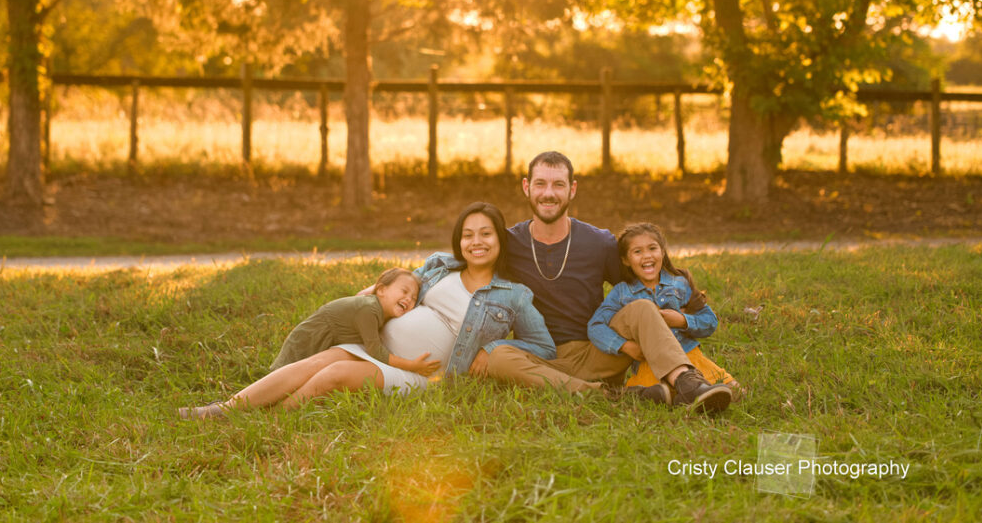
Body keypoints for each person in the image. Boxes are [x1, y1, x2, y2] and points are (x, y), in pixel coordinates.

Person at [179, 202, 555, 418]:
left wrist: (492, 350)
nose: (476, 242)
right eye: (468, 234)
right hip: (377, 346)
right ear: (459, 240)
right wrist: (371, 294)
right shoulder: (440, 265)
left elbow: (543, 346)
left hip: (424, 376)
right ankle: (224, 410)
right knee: (324, 358)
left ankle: (273, 419)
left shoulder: (514, 296)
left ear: (500, 240)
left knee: (337, 373)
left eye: (486, 234)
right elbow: (400, 284)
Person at [484, 151, 732, 413]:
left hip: (599, 350)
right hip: (537, 356)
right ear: (527, 187)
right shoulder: (508, 244)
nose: (549, 193)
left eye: (558, 184)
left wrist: (682, 317)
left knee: (641, 307)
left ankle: (689, 384)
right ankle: (617, 396)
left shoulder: (598, 242)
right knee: (498, 357)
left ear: (572, 189)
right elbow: (471, 276)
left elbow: (641, 285)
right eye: (540, 183)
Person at [588, 222, 737, 411]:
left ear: (662, 252)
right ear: (625, 260)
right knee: (661, 393)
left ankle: (688, 393)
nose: (647, 255)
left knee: (735, 392)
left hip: (689, 357)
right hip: (650, 363)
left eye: (652, 248)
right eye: (637, 252)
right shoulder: (622, 293)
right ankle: (682, 396)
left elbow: (710, 321)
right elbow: (595, 326)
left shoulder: (679, 284)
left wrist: (682, 321)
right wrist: (624, 345)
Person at [267, 267, 433, 373]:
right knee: (289, 373)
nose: (408, 299)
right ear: (381, 290)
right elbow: (376, 351)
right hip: (311, 337)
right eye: (404, 291)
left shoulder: (381, 313)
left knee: (302, 372)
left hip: (326, 336)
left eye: (413, 298)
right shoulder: (369, 309)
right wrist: (411, 366)